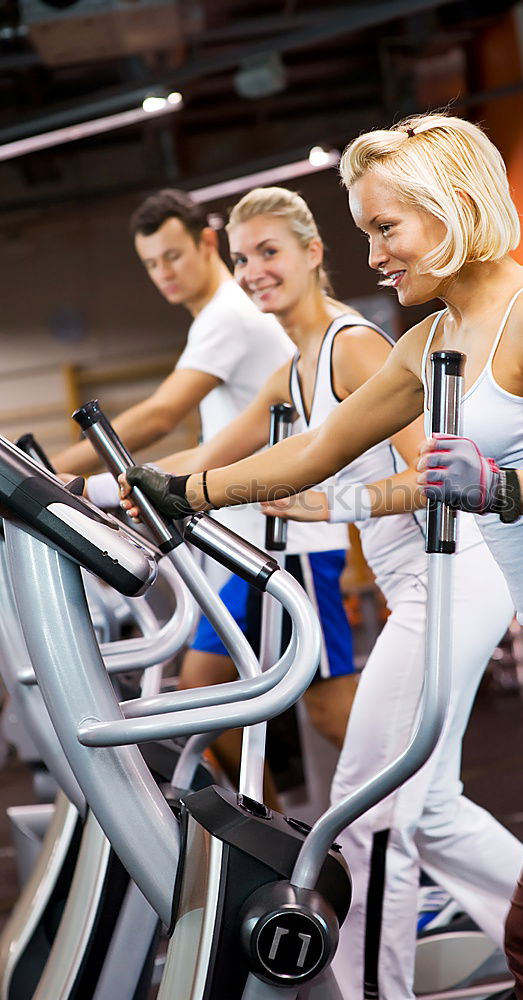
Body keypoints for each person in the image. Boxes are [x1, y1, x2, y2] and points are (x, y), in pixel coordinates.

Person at [120, 114, 523, 1000]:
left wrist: (499, 487)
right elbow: (313, 452)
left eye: (386, 228)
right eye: (365, 233)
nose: (376, 255)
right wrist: (183, 492)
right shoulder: (428, 345)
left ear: (452, 206)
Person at [121, 184, 523, 999]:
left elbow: (434, 476)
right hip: (421, 583)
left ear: (312, 253)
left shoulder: (352, 346)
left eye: (270, 251)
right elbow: (206, 464)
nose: (255, 270)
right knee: (426, 809)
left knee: (365, 807)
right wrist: (94, 485)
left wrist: (336, 501)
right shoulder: (296, 366)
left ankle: (372, 988)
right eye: (242, 259)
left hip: (448, 574)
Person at [53, 188, 355, 808]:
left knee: (323, 713)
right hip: (249, 536)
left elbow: (164, 414)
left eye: (173, 256)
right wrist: (98, 488)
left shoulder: (242, 320)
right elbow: (209, 452)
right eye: (151, 264)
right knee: (207, 699)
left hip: (290, 537)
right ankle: (274, 832)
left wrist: (54, 470)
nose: (164, 274)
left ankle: (398, 823)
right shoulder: (276, 353)